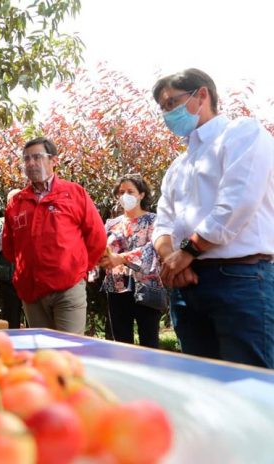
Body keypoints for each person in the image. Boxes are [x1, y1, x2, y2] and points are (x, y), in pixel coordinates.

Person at [151, 68, 274, 368]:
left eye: (171, 103)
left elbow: (236, 203)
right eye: (163, 109)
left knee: (251, 386)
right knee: (201, 387)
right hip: (186, 285)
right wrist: (173, 261)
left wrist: (188, 251)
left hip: (239, 280)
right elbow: (162, 224)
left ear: (201, 94)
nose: (168, 114)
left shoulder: (242, 133)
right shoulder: (177, 167)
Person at [2, 136, 105, 334]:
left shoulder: (74, 193)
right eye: (26, 159)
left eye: (37, 157)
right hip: (31, 293)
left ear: (54, 160)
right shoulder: (16, 202)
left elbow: (97, 238)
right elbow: (9, 248)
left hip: (68, 288)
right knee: (43, 355)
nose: (31, 163)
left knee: (69, 352)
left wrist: (78, 270)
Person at [99, 174, 164, 348]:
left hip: (147, 287)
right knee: (120, 343)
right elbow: (101, 249)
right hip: (117, 287)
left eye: (130, 191)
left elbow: (153, 249)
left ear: (141, 194)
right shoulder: (112, 224)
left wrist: (121, 258)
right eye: (121, 192)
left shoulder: (153, 221)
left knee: (149, 341)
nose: (124, 195)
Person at [0, 188, 24, 329]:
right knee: (10, 319)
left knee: (34, 320)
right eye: (12, 202)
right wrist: (8, 227)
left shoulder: (30, 220)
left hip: (27, 278)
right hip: (7, 279)